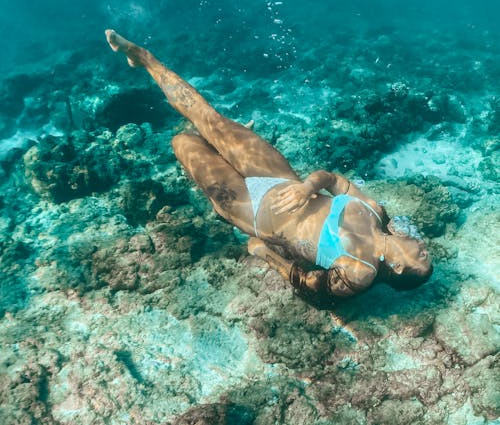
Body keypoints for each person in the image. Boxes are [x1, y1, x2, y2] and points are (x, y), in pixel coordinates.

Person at [105, 30, 433, 300]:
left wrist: (266, 255)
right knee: (210, 119)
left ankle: (214, 151)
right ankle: (143, 56)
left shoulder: (361, 271)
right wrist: (308, 186)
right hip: (279, 177)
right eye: (424, 249)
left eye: (419, 255)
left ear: (399, 269)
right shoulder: (374, 210)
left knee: (183, 143)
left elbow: (309, 286)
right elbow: (333, 180)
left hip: (253, 212)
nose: (421, 245)